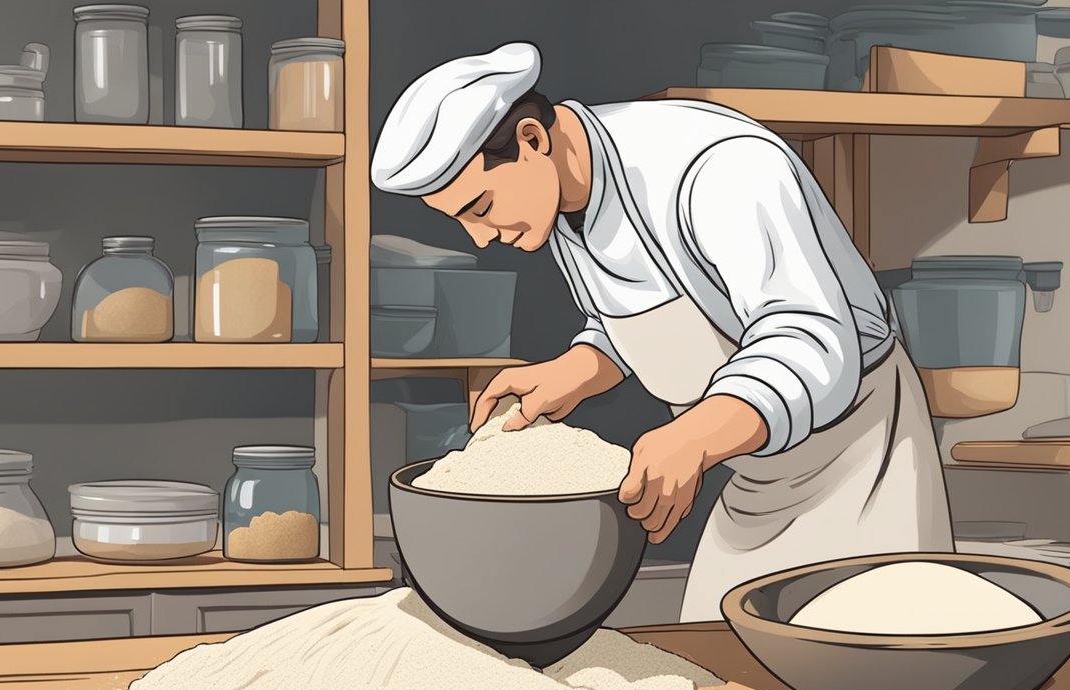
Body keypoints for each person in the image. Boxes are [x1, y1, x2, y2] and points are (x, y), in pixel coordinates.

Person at [371, 41, 954, 622]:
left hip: (858, 453)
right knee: (726, 657)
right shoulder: (562, 198)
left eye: (480, 207)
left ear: (531, 140)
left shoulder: (721, 168)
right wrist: (576, 370)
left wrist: (695, 437)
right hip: (752, 471)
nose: (481, 237)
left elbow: (809, 343)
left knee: (869, 655)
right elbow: (659, 315)